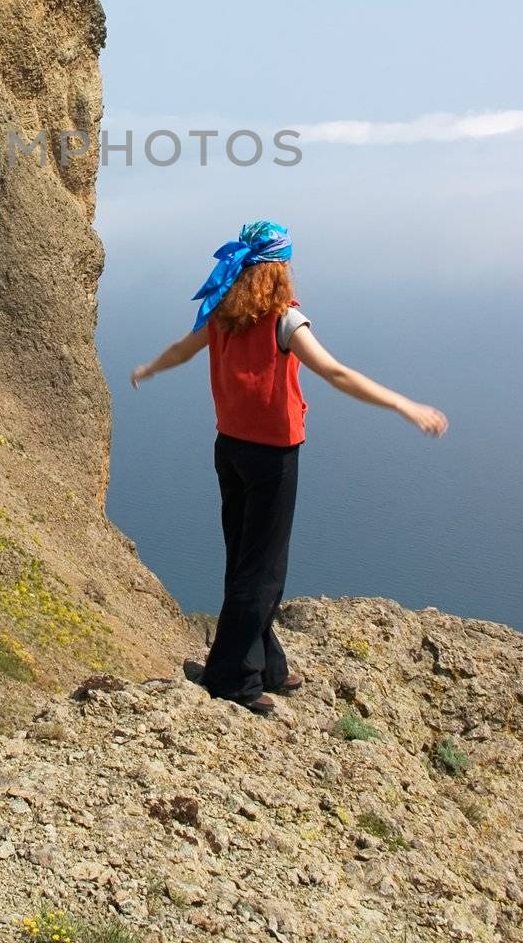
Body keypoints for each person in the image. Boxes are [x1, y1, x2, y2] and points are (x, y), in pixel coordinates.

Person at [129, 219, 447, 715]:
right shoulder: (284, 321)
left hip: (229, 450)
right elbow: (336, 371)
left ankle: (267, 665)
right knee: (263, 572)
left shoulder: (222, 315)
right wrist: (404, 405)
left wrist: (149, 368)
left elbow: (181, 349)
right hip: (272, 457)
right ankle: (233, 680)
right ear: (280, 269)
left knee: (244, 558)